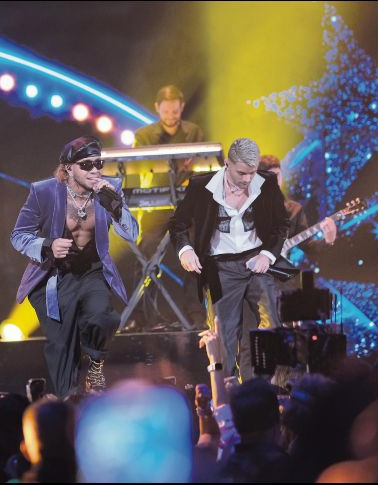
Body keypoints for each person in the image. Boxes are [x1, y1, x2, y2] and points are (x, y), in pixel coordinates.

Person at [11, 135, 139, 397]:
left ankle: (95, 365)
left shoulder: (109, 188)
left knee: (103, 316)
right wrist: (47, 244)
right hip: (54, 275)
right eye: (87, 165)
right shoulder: (44, 191)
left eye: (99, 163)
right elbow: (18, 235)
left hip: (92, 271)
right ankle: (67, 403)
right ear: (69, 168)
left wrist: (114, 206)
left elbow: (131, 233)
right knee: (62, 346)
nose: (95, 171)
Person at [169, 138, 289, 376]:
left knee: (272, 326)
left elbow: (281, 225)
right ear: (227, 164)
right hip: (220, 267)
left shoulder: (267, 184)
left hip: (256, 262)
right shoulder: (201, 186)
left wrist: (267, 254)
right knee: (223, 336)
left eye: (252, 173)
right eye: (241, 173)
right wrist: (186, 250)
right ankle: (226, 394)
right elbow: (177, 224)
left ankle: (265, 390)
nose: (247, 179)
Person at [238, 154, 338, 380]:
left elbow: (310, 246)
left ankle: (283, 387)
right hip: (252, 282)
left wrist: (329, 239)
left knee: (289, 336)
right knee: (260, 333)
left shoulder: (293, 210)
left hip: (284, 283)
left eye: (278, 175)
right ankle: (258, 388)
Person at [131, 85, 207, 330]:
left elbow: (205, 164)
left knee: (196, 252)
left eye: (175, 111)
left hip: (187, 205)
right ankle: (144, 316)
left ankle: (196, 313)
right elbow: (135, 166)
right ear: (157, 109)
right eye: (166, 111)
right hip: (156, 205)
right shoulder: (144, 135)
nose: (171, 115)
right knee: (146, 253)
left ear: (182, 108)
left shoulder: (194, 132)